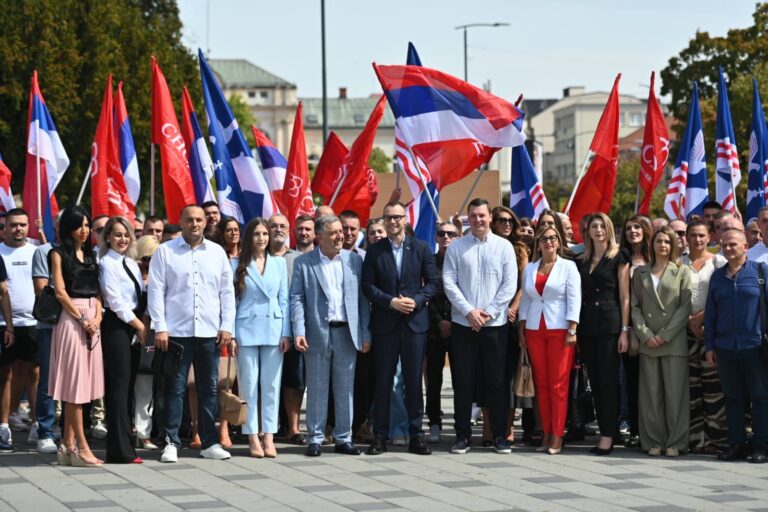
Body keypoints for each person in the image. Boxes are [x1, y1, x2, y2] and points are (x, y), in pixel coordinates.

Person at [148, 205, 235, 463]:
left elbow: (226, 292)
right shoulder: (165, 252)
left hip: (209, 332)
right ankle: (170, 442)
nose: (195, 224)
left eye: (199, 219)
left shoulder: (217, 253)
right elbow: (156, 292)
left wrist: (227, 325)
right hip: (176, 332)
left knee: (209, 388)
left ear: (205, 222)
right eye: (190, 219)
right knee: (174, 389)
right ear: (181, 221)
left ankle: (209, 443)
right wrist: (160, 326)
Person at [290, 215, 370, 457]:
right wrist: (299, 330)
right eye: (334, 232)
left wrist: (365, 333)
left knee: (345, 388)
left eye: (342, 232)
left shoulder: (354, 261)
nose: (341, 236)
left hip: (347, 332)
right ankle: (315, 438)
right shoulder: (304, 263)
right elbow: (297, 298)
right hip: (317, 332)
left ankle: (343, 438)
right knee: (316, 386)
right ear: (320, 237)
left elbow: (362, 301)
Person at [363, 201, 438, 456]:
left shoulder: (421, 248)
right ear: (383, 221)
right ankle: (380, 437)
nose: (393, 221)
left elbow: (432, 284)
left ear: (405, 219)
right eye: (388, 217)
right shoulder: (375, 251)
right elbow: (368, 286)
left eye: (397, 217)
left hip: (414, 325)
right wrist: (391, 302)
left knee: (414, 381)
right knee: (383, 381)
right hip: (386, 325)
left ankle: (416, 435)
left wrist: (416, 301)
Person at [443, 198, 517, 454]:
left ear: (489, 217)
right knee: (462, 382)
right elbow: (449, 282)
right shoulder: (456, 248)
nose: (478, 220)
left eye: (482, 215)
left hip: (495, 326)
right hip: (464, 325)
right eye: (473, 216)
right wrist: (469, 312)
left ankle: (499, 436)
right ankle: (462, 436)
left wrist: (490, 313)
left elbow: (509, 284)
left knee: (497, 382)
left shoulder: (504, 247)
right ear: (468, 218)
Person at [705, 229, 768, 463]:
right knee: (732, 398)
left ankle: (762, 445)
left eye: (733, 244)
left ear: (746, 247)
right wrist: (709, 346)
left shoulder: (761, 272)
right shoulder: (717, 277)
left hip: (755, 346)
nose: (729, 248)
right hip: (725, 347)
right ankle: (736, 443)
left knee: (760, 397)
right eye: (725, 245)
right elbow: (710, 314)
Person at [48, 206, 104, 467]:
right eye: (80, 225)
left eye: (87, 225)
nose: (85, 230)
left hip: (93, 318)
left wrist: (97, 318)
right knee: (75, 387)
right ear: (69, 227)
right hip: (72, 320)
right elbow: (60, 292)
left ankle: (67, 444)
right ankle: (82, 446)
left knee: (88, 385)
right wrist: (82, 319)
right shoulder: (57, 253)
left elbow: (99, 293)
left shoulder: (92, 254)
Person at [631, 226, 692, 457]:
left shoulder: (682, 271)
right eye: (659, 241)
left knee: (675, 395)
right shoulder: (641, 273)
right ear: (652, 244)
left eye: (667, 241)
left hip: (673, 341)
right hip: (649, 342)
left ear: (673, 245)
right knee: (651, 396)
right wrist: (645, 334)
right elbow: (635, 307)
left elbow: (685, 305)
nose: (663, 245)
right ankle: (653, 440)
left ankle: (676, 441)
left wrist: (664, 335)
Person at [232, 218, 291, 458]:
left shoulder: (278, 264)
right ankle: (252, 435)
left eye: (265, 234)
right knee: (249, 384)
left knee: (272, 385)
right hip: (246, 328)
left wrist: (287, 331)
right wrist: (232, 334)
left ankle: (269, 435)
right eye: (257, 234)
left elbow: (285, 300)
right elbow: (231, 301)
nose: (262, 238)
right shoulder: (238, 263)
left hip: (274, 329)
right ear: (249, 237)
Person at [519, 225, 580, 455]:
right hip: (535, 329)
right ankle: (545, 432)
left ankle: (557, 434)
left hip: (560, 330)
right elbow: (526, 299)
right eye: (544, 238)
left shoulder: (568, 267)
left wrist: (572, 328)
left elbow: (575, 298)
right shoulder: (531, 267)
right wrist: (522, 329)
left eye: (553, 238)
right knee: (542, 384)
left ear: (559, 242)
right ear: (538, 242)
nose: (548, 242)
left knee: (558, 385)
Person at [577, 213, 630, 455]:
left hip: (610, 324)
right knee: (595, 383)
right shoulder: (583, 260)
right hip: (588, 327)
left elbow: (625, 297)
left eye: (602, 226)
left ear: (609, 229)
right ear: (587, 231)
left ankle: (609, 434)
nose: (598, 230)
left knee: (609, 382)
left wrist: (624, 331)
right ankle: (605, 430)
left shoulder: (619, 257)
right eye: (594, 226)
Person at [98, 217, 147, 464]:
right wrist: (138, 325)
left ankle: (127, 445)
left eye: (126, 234)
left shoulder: (130, 262)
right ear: (107, 237)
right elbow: (115, 301)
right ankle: (119, 449)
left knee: (128, 387)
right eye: (117, 235)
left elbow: (140, 294)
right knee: (118, 387)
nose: (123, 239)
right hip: (118, 326)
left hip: (134, 326)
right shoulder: (106, 263)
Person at [680, 218, 727, 454]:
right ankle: (694, 439)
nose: (697, 240)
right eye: (692, 235)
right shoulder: (678, 263)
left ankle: (716, 439)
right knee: (691, 389)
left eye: (701, 235)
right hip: (685, 334)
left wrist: (703, 318)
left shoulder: (719, 262)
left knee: (713, 388)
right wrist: (689, 321)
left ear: (709, 237)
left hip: (713, 333)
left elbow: (726, 295)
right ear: (686, 238)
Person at [0, 209, 39, 451]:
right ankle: (4, 426)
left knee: (35, 375)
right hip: (4, 325)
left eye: (23, 225)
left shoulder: (36, 252)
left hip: (33, 324)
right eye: (13, 225)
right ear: (5, 228)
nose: (19, 229)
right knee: (5, 376)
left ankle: (38, 424)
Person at [278, 214, 314, 445]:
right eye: (299, 229)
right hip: (279, 328)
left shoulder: (311, 258)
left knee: (304, 381)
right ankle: (282, 428)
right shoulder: (275, 259)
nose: (303, 233)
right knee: (284, 381)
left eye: (307, 229)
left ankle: (303, 428)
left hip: (307, 329)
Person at [619, 215, 653, 448]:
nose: (633, 231)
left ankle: (654, 429)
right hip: (631, 328)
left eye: (637, 227)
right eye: (629, 228)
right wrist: (626, 329)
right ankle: (635, 430)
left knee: (653, 382)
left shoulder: (657, 256)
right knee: (633, 380)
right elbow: (624, 297)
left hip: (658, 328)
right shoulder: (621, 259)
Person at [425, 221, 459, 444]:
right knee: (434, 380)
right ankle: (434, 422)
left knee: (461, 379)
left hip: (459, 327)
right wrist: (440, 321)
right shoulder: (429, 262)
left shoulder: (462, 261)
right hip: (435, 329)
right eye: (441, 233)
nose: (446, 237)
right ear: (436, 237)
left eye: (451, 233)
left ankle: (461, 422)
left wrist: (452, 321)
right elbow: (426, 294)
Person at [31, 219, 59, 454]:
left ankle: (70, 428)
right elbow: (42, 289)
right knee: (48, 380)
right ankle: (45, 431)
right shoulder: (44, 251)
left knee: (73, 380)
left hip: (77, 326)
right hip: (50, 325)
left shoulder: (87, 253)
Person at [134, 235, 160, 450]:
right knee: (132, 387)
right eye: (145, 258)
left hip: (154, 336)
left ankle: (146, 432)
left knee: (148, 388)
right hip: (131, 335)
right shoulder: (130, 275)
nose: (149, 263)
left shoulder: (161, 277)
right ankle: (134, 431)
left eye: (154, 258)